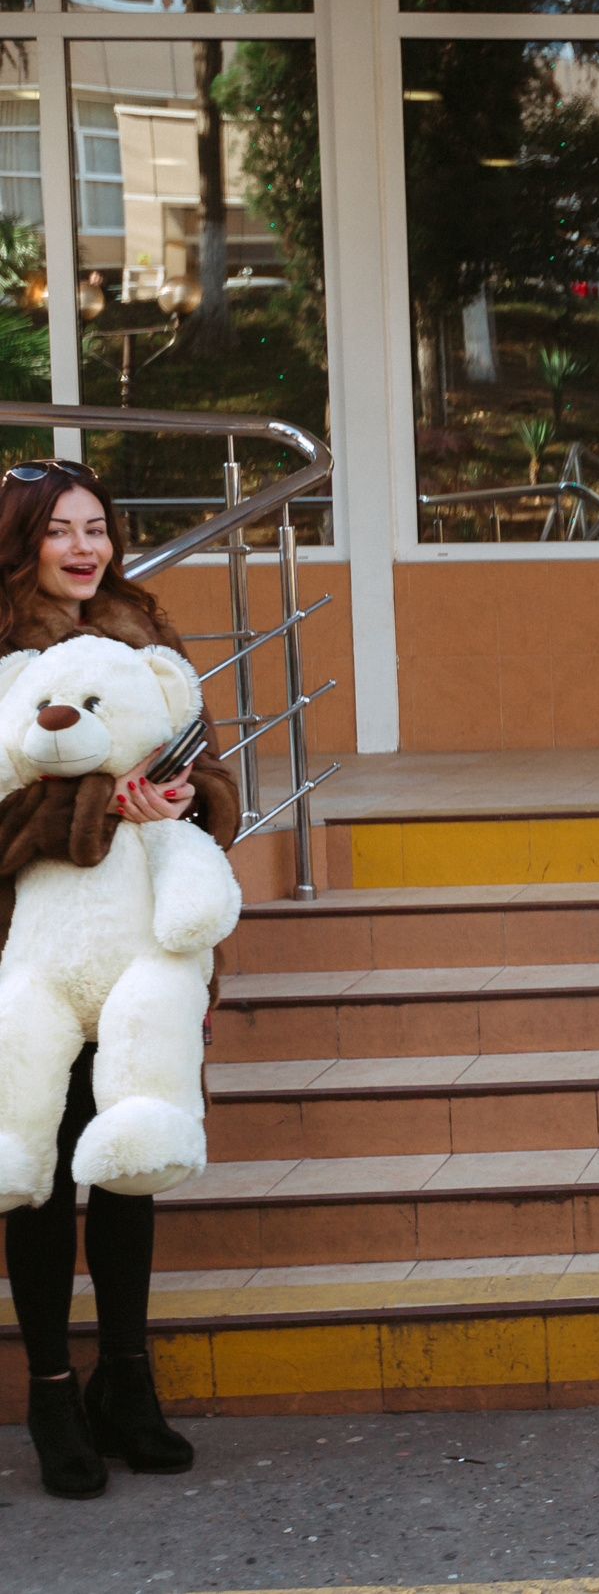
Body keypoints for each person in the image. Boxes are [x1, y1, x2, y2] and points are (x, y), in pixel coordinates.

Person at [0, 460, 240, 1499]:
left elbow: (211, 774)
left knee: (129, 1158)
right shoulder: (4, 654)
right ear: (23, 540)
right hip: (28, 954)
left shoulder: (147, 635)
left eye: (96, 526)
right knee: (44, 1168)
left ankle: (126, 1381)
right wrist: (99, 803)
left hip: (143, 947)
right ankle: (52, 1390)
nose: (84, 547)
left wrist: (185, 802)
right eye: (60, 529)